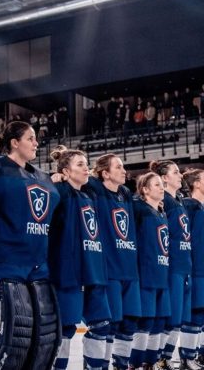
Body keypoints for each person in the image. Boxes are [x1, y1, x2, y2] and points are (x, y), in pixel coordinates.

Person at [0, 121, 61, 370]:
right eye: (30, 138)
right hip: (5, 263)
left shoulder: (42, 177)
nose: (36, 143)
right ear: (14, 143)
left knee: (44, 339)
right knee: (11, 338)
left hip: (37, 266)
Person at [48, 146, 111, 369]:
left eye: (86, 164)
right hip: (68, 273)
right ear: (65, 171)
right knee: (65, 329)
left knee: (102, 326)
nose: (87, 169)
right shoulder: (58, 192)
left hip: (93, 272)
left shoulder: (89, 195)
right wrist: (53, 181)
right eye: (80, 165)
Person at [85, 154, 140, 370]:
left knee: (130, 323)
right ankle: (99, 366)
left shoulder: (125, 193)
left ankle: (120, 364)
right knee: (108, 324)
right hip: (109, 268)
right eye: (118, 167)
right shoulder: (96, 189)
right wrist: (61, 175)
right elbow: (81, 177)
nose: (124, 171)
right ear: (105, 173)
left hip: (130, 269)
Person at [149, 161, 193, 370]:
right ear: (164, 178)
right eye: (175, 172)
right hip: (171, 264)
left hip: (184, 264)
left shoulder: (180, 200)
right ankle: (155, 358)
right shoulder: (162, 200)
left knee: (179, 318)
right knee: (168, 316)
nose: (180, 176)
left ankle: (165, 357)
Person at [130, 172, 171, 369]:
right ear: (145, 189)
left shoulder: (162, 212)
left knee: (158, 322)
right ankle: (135, 364)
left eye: (162, 184)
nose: (162, 187)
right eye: (157, 184)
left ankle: (150, 363)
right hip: (145, 274)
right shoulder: (138, 208)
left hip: (162, 274)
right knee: (144, 323)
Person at [179, 169, 204, 369]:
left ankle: (194, 355)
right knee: (194, 312)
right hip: (196, 268)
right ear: (195, 184)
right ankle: (186, 357)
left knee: (202, 314)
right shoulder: (188, 206)